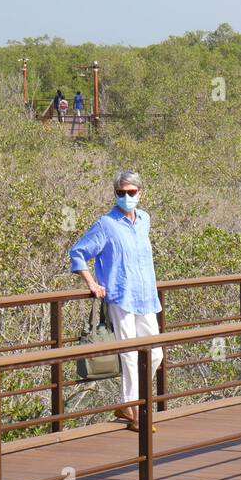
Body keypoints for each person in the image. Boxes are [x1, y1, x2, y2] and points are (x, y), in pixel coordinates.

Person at [69, 172, 165, 427]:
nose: (126, 197)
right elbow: (79, 252)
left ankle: (131, 403)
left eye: (131, 193)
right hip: (121, 297)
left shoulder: (145, 219)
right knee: (131, 355)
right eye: (121, 193)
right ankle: (134, 410)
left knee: (155, 354)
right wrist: (92, 283)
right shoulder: (106, 224)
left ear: (140, 193)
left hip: (146, 297)